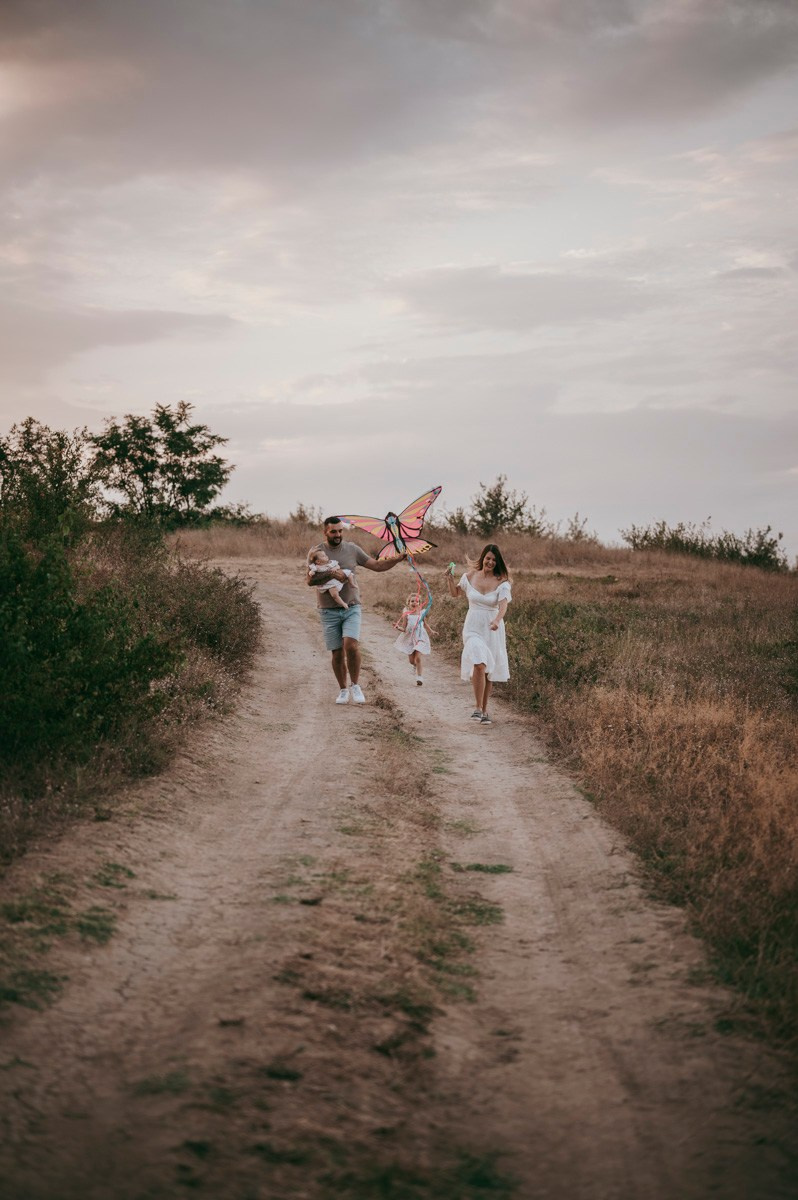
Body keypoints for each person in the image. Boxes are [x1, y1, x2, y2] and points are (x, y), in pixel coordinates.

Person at [307, 516, 407, 704]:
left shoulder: (352, 549)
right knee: (337, 653)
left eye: (340, 531)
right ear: (325, 532)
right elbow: (310, 580)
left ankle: (355, 685)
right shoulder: (317, 552)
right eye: (334, 531)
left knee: (351, 646)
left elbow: (377, 565)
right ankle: (343, 690)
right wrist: (332, 573)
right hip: (328, 610)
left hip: (352, 607)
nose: (338, 535)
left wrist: (398, 559)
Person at [445, 544, 511, 725]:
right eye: (488, 558)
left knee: (488, 670)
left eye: (494, 560)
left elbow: (503, 606)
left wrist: (497, 620)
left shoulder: (502, 582)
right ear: (483, 558)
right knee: (479, 664)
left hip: (492, 628)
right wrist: (450, 579)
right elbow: (455, 594)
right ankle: (477, 707)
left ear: (498, 562)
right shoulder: (469, 576)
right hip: (473, 627)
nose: (490, 562)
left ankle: (485, 710)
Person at [393, 592, 436, 685]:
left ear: (419, 603)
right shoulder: (406, 614)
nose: (414, 603)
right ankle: (415, 665)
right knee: (412, 661)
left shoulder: (421, 613)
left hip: (420, 636)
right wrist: (398, 627)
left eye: (417, 601)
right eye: (412, 601)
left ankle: (419, 677)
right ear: (408, 603)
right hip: (410, 637)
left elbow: (425, 624)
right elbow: (404, 628)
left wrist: (431, 631)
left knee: (418, 658)